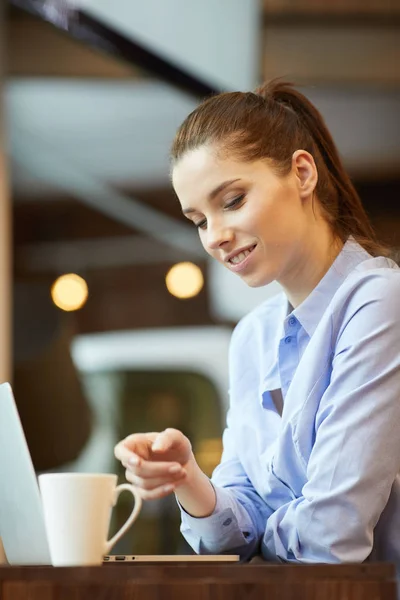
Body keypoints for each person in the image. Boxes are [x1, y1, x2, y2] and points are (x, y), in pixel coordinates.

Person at [114, 80, 400, 565]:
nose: (215, 238)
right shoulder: (254, 335)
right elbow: (233, 531)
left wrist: (260, 537)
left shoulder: (379, 303)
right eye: (199, 220)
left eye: (232, 201)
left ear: (303, 173)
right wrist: (188, 479)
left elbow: (331, 537)